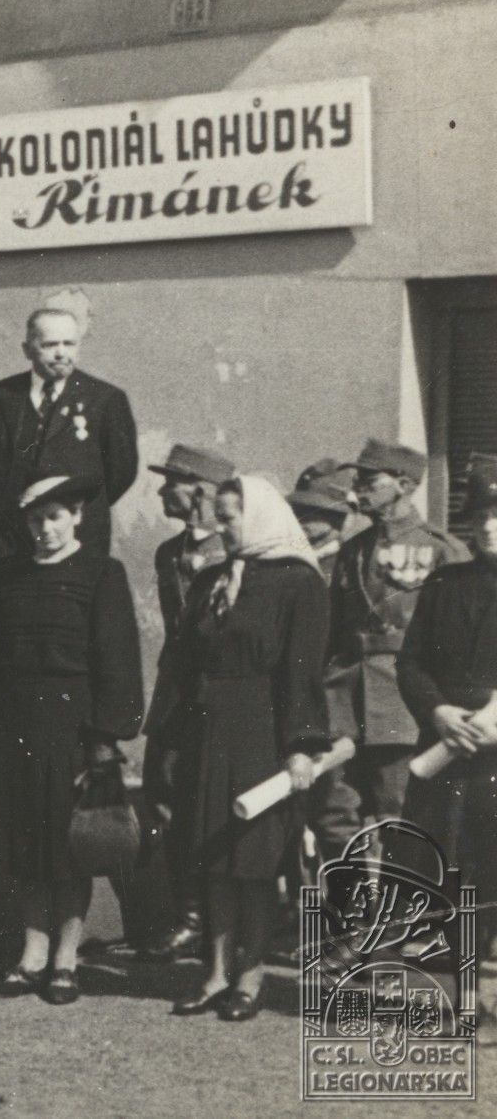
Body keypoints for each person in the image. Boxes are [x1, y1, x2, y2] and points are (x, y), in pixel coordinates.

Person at [147, 476, 332, 1022]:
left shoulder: (300, 583)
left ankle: (250, 979)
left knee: (253, 861)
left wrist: (301, 747)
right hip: (207, 731)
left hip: (263, 735)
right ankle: (215, 975)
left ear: (258, 516)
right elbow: (182, 664)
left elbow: (302, 672)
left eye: (229, 518)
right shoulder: (211, 580)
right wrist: (167, 738)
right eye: (219, 516)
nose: (220, 527)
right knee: (212, 858)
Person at [0, 474, 144, 1005]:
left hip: (74, 730)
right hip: (17, 727)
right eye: (35, 519)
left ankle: (66, 961)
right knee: (26, 846)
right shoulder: (11, 573)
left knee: (69, 849)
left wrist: (105, 740)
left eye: (54, 517)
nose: (44, 528)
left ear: (76, 517)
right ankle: (31, 958)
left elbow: (118, 660)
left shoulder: (102, 573)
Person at [318, 439, 469, 860]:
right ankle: (350, 900)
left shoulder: (443, 550)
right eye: (359, 480)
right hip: (343, 698)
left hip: (403, 703)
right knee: (334, 813)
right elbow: (334, 630)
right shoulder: (353, 549)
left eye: (371, 480)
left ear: (404, 484)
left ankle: (400, 901)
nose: (359, 489)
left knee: (398, 813)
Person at [397, 456, 497, 1041]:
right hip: (449, 750)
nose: (488, 527)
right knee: (460, 877)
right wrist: (437, 711)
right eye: (480, 515)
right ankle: (468, 1001)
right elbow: (411, 662)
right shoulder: (444, 584)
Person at [135, 443, 234, 963]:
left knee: (221, 802)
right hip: (175, 695)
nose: (161, 492)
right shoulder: (167, 552)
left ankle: (230, 921)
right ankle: (188, 917)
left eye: (170, 483)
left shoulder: (237, 548)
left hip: (222, 693)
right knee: (165, 797)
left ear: (199, 490)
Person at [0, 308, 137, 569]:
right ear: (27, 350)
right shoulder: (1, 395)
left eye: (69, 343)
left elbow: (122, 472)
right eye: (49, 345)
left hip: (77, 539)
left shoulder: (105, 399)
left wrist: (73, 509)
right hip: (12, 539)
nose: (61, 353)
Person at [288, 465, 358, 576]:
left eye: (309, 510)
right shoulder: (287, 554)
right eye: (296, 509)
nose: (298, 518)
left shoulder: (349, 565)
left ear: (337, 517)